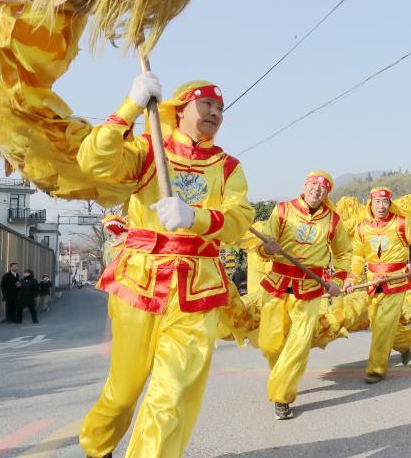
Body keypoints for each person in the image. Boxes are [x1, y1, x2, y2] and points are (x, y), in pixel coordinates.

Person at [77, 74, 253, 458]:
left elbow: (239, 219)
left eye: (221, 109)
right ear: (181, 109)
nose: (215, 113)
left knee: (172, 394)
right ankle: (97, 445)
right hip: (139, 282)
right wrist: (131, 105)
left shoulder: (228, 168)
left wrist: (195, 217)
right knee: (123, 391)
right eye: (206, 104)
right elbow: (93, 161)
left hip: (198, 290)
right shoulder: (145, 150)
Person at [255, 171, 349, 420]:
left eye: (323, 187)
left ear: (327, 194)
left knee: (298, 344)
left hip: (310, 288)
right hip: (277, 282)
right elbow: (264, 242)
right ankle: (281, 378)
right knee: (269, 343)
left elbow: (344, 254)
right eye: (314, 184)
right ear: (304, 185)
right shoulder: (283, 210)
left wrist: (337, 280)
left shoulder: (333, 220)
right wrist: (267, 247)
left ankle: (282, 396)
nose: (317, 190)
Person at [344, 187, 411, 383]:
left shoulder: (401, 223)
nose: (381, 206)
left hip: (397, 281)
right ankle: (405, 341)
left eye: (385, 202)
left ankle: (376, 369)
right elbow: (358, 256)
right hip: (373, 283)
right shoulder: (361, 228)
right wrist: (351, 277)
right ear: (370, 204)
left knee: (383, 324)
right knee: (378, 326)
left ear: (390, 203)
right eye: (377, 202)